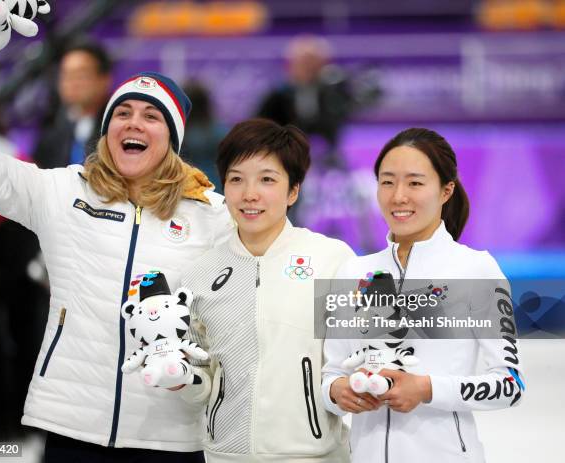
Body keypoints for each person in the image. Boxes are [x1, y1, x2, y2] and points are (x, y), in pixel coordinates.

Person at [0, 6, 231, 462]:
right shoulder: (62, 191)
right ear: (106, 131)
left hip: (172, 435)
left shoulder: (212, 214)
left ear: (172, 141)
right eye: (122, 112)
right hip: (71, 427)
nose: (133, 123)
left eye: (151, 116)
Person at [321, 127, 526, 462]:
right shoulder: (352, 272)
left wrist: (427, 389)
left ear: (446, 190)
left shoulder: (477, 269)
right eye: (387, 182)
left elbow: (510, 385)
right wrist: (336, 392)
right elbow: (331, 375)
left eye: (415, 183)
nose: (398, 196)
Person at [179, 118, 356, 462]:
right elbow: (199, 382)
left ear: (293, 191)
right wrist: (180, 379)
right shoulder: (200, 274)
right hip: (224, 455)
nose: (250, 194)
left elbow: (356, 359)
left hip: (315, 455)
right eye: (236, 179)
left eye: (267, 179)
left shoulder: (331, 260)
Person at [33, 39, 113, 168]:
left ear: (104, 80)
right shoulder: (52, 129)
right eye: (66, 75)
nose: (72, 83)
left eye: (81, 75)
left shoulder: (115, 130)